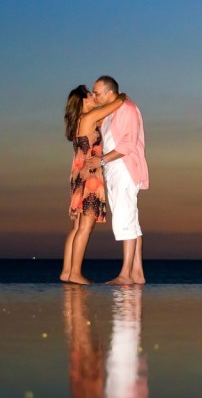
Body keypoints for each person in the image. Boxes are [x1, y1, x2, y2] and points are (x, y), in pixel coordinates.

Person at [61, 85, 126, 284]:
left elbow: (104, 118)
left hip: (79, 175)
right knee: (85, 227)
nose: (93, 98)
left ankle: (67, 271)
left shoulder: (83, 121)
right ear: (82, 102)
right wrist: (120, 95)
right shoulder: (88, 119)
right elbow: (117, 103)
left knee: (77, 227)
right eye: (90, 95)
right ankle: (75, 273)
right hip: (89, 177)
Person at [90, 76, 149, 285]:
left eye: (97, 93)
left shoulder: (128, 109)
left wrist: (102, 160)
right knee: (130, 219)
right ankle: (137, 273)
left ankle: (125, 274)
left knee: (125, 219)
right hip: (115, 170)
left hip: (124, 168)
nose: (94, 97)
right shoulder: (111, 113)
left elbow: (128, 144)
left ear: (109, 92)